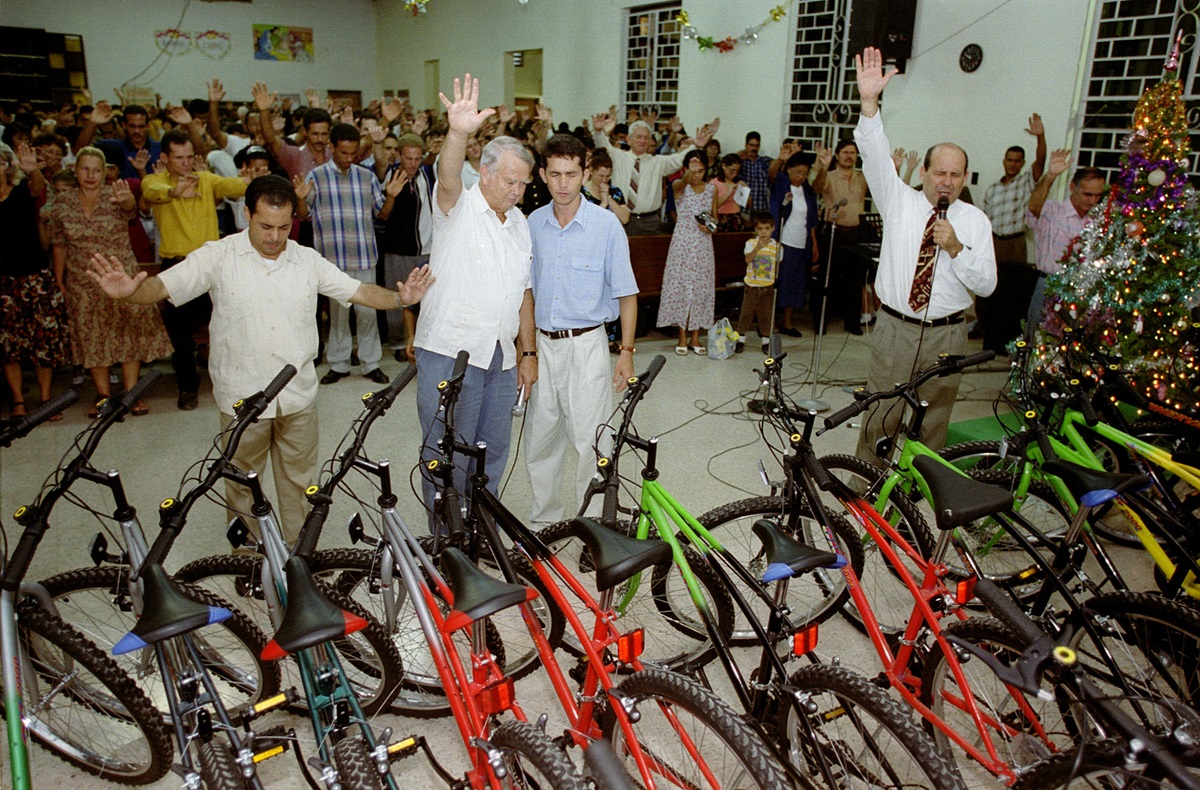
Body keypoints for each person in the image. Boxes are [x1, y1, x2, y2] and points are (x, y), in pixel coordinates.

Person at [88, 175, 433, 542]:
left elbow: (359, 290)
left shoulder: (306, 259)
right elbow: (164, 286)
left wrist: (400, 299)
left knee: (301, 484)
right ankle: (247, 561)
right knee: (240, 483)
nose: (275, 237)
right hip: (242, 398)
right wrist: (130, 293)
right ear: (246, 214)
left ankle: (300, 555)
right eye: (265, 226)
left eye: (284, 227)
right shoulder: (218, 256)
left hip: (297, 397)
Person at [852, 47, 997, 462]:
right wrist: (869, 103)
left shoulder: (975, 222)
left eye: (955, 174)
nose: (946, 182)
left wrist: (955, 247)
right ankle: (863, 496)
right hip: (896, 329)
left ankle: (918, 504)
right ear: (923, 173)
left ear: (964, 178)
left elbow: (986, 286)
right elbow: (875, 154)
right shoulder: (899, 201)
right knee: (880, 415)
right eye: (939, 172)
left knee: (932, 424)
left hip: (948, 335)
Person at [413, 74, 538, 522]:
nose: (517, 191)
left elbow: (523, 292)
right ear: (483, 172)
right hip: (451, 354)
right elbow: (446, 174)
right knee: (447, 453)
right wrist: (458, 133)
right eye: (509, 181)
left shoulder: (519, 223)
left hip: (501, 360)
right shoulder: (457, 207)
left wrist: (528, 351)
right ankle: (446, 543)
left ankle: (479, 531)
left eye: (523, 184)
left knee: (491, 453)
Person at [526, 134, 638, 526]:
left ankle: (593, 527)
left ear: (585, 174)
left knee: (593, 441)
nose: (562, 183)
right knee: (541, 440)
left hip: (588, 345)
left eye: (571, 174)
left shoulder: (606, 226)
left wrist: (626, 351)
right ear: (542, 174)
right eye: (554, 174)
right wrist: (527, 353)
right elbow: (526, 292)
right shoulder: (532, 224)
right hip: (543, 346)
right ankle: (545, 522)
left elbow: (626, 294)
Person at [43, 147, 172, 416]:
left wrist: (127, 201)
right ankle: (102, 395)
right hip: (83, 279)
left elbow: (130, 211)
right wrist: (60, 280)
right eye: (85, 169)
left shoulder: (116, 194)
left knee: (128, 333)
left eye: (97, 169)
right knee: (92, 337)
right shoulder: (62, 202)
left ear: (105, 173)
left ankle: (131, 393)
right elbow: (59, 244)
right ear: (75, 171)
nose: (90, 175)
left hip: (120, 274)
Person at [142, 128, 248, 410]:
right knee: (181, 337)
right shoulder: (155, 181)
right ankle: (188, 387)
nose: (186, 163)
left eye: (190, 157)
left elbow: (233, 186)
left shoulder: (206, 179)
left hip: (212, 266)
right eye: (179, 158)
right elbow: (151, 191)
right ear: (164, 157)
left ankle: (234, 386)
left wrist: (251, 181)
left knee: (228, 328)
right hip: (177, 267)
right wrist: (173, 191)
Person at [297, 122, 401, 385]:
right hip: (332, 260)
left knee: (368, 314)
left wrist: (390, 196)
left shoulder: (365, 177)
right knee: (338, 315)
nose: (348, 158)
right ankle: (339, 363)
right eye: (343, 152)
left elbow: (383, 214)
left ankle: (371, 363)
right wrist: (299, 198)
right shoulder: (317, 176)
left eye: (353, 153)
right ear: (332, 148)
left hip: (364, 256)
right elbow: (303, 214)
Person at [0, 142, 71, 420]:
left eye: (0, 162)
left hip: (35, 276)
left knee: (44, 340)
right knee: (8, 344)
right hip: (4, 281)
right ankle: (18, 400)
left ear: (8, 166)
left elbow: (37, 186)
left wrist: (33, 171)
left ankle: (45, 396)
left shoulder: (21, 192)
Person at [591, 110, 715, 235]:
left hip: (650, 221)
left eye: (646, 138)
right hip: (620, 218)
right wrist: (597, 131)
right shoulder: (617, 157)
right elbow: (602, 144)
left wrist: (696, 146)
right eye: (638, 137)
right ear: (628, 139)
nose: (642, 141)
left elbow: (679, 159)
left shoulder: (658, 162)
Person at [1025, 149, 1105, 335]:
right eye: (1087, 194)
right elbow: (1033, 207)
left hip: (1080, 289)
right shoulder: (1053, 211)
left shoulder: (1097, 221)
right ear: (1072, 188)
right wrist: (1051, 175)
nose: (1093, 200)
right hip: (1048, 285)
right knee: (1034, 338)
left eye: (1098, 195)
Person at [379, 133, 436, 363]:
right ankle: (399, 343)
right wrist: (391, 196)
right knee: (397, 299)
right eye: (408, 158)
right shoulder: (389, 175)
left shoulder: (428, 175)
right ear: (399, 156)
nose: (412, 163)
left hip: (426, 247)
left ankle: (421, 341)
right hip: (397, 248)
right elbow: (382, 215)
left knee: (425, 299)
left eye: (416, 158)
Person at [657, 150, 717, 354]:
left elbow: (715, 220)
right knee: (682, 288)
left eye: (701, 170)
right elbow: (681, 184)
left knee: (701, 289)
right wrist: (687, 174)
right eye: (693, 169)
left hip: (702, 245)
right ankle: (681, 337)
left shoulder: (711, 190)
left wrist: (709, 226)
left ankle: (695, 337)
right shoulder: (678, 186)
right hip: (682, 243)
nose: (696, 174)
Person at [813, 138, 873, 334]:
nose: (849, 156)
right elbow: (816, 188)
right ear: (837, 155)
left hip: (856, 234)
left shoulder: (862, 177)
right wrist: (823, 167)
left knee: (855, 280)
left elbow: (884, 188)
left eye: (853, 153)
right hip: (833, 232)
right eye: (845, 152)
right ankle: (820, 321)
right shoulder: (828, 175)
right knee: (827, 278)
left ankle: (852, 322)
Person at [769, 151, 819, 338]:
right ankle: (768, 322)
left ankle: (787, 322)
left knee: (795, 284)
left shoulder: (806, 190)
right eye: (797, 172)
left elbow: (811, 219)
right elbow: (771, 174)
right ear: (789, 170)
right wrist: (780, 158)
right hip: (782, 241)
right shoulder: (782, 183)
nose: (801, 177)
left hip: (800, 243)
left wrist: (813, 243)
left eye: (804, 173)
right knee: (776, 283)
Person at [735, 211, 781, 354]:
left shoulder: (777, 247)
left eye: (767, 229)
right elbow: (748, 259)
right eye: (760, 229)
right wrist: (758, 248)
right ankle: (740, 339)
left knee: (766, 315)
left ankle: (766, 341)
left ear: (772, 229)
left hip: (767, 286)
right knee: (746, 314)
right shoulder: (751, 243)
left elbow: (777, 265)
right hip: (752, 286)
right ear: (755, 229)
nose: (763, 232)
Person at [76, 102, 160, 180]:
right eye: (132, 126)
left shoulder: (159, 148)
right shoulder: (112, 147)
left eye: (141, 126)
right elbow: (81, 149)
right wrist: (93, 122)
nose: (136, 131)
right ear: (124, 125)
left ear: (147, 127)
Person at [581, 148, 630, 225]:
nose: (604, 180)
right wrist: (603, 204)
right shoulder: (581, 192)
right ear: (591, 171)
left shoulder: (615, 192)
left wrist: (608, 197)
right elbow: (588, 221)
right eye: (601, 176)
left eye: (607, 176)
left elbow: (625, 219)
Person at [738, 131, 773, 215]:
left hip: (761, 209)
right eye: (751, 145)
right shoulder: (740, 162)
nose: (754, 148)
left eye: (757, 145)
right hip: (743, 210)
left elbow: (778, 164)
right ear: (746, 145)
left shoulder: (764, 161)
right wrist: (738, 157)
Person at [711, 153, 744, 231]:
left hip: (736, 217)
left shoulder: (738, 183)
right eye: (732, 170)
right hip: (720, 217)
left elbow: (747, 204)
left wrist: (745, 191)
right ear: (724, 166)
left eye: (737, 171)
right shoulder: (714, 183)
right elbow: (712, 206)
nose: (734, 174)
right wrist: (728, 192)